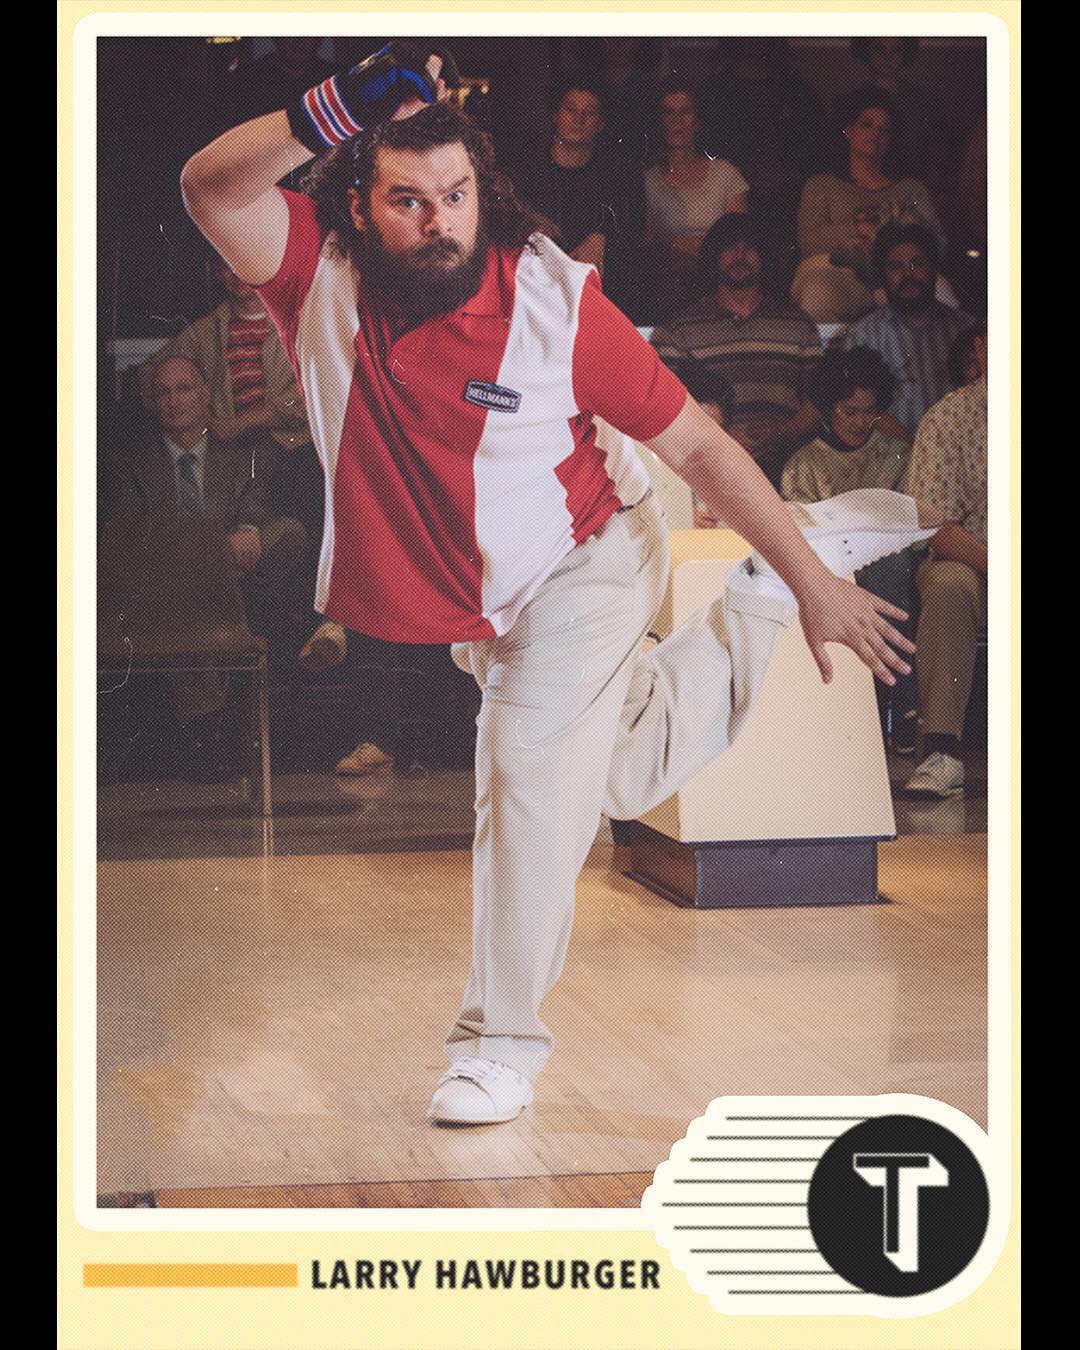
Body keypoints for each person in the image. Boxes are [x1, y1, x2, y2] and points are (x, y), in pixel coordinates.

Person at [180, 43, 922, 1126]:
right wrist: (336, 102)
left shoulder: (555, 304)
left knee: (525, 766)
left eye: (456, 195)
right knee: (609, 780)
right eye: (407, 201)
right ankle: (752, 603)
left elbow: (700, 447)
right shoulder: (319, 273)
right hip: (486, 595)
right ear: (359, 206)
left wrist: (821, 585)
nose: (438, 220)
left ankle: (499, 1046)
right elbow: (210, 187)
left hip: (588, 560)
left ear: (483, 189)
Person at [780, 347, 919, 751]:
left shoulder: (898, 455)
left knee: (890, 570)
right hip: (832, 568)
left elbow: (910, 522)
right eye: (849, 411)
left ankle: (901, 702)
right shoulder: (804, 463)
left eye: (870, 412)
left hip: (891, 562)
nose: (860, 422)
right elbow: (802, 530)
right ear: (828, 408)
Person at [650, 212, 822, 483]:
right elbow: (664, 407)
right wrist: (723, 437)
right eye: (730, 247)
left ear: (765, 256)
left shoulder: (798, 326)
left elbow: (819, 402)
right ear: (713, 257)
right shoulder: (678, 330)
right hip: (708, 472)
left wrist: (781, 433)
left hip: (789, 469)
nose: (740, 256)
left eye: (750, 248)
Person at [901, 329, 988, 798]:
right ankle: (942, 750)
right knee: (949, 584)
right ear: (981, 348)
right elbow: (933, 524)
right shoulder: (950, 418)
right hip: (978, 563)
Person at [791, 85, 946, 323]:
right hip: (839, 275)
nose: (876, 133)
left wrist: (886, 233)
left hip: (900, 272)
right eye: (867, 125)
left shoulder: (910, 189)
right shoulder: (821, 184)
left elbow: (938, 244)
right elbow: (809, 242)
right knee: (818, 294)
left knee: (943, 297)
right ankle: (830, 349)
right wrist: (860, 229)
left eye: (884, 130)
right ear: (848, 131)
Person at [511, 79, 644, 317]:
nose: (578, 119)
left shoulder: (620, 174)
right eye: (570, 109)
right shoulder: (524, 172)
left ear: (601, 123)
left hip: (598, 298)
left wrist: (602, 237)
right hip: (536, 296)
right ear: (555, 116)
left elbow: (633, 230)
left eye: (589, 112)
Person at [840, 221, 973, 437]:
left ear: (933, 269)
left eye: (917, 264)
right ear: (883, 275)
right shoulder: (862, 336)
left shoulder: (964, 328)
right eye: (896, 267)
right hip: (893, 452)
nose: (908, 275)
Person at [643, 82, 749, 318]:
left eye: (685, 112)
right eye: (668, 113)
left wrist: (708, 246)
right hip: (671, 277)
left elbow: (740, 234)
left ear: (698, 121)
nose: (677, 121)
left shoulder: (725, 173)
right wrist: (674, 245)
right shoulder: (647, 180)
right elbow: (645, 242)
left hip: (722, 271)